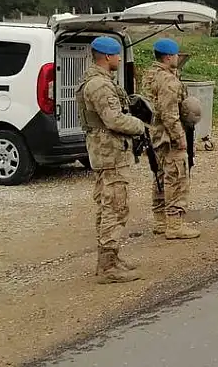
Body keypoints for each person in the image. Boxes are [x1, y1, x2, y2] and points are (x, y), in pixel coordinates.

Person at [76, 36, 147, 284]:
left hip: (107, 152)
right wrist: (140, 126)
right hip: (110, 153)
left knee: (111, 205)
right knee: (115, 206)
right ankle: (108, 266)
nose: (119, 59)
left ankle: (110, 258)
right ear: (107, 57)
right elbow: (114, 120)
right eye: (117, 55)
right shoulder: (100, 86)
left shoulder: (97, 81)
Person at [140, 38, 200, 240]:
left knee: (159, 177)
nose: (177, 58)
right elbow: (169, 113)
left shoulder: (150, 75)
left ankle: (160, 221)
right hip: (168, 137)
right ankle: (174, 225)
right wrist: (180, 138)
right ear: (168, 56)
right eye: (175, 55)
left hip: (154, 135)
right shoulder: (168, 81)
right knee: (176, 177)